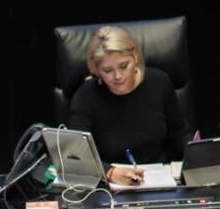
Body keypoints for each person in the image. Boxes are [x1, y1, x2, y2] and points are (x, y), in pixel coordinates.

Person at [68, 25, 188, 187]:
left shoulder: (159, 82)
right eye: (108, 70)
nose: (117, 76)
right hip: (110, 187)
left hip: (160, 180)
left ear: (135, 57)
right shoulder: (85, 96)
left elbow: (179, 134)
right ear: (96, 70)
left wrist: (197, 156)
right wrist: (109, 172)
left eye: (124, 66)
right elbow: (77, 155)